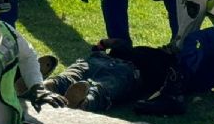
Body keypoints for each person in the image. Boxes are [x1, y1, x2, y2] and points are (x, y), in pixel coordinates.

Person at [43, 38, 175, 112]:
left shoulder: (168, 65)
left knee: (80, 77)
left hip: (114, 65)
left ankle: (51, 87)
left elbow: (110, 43)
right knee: (100, 88)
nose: (166, 46)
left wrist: (102, 44)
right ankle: (82, 100)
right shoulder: (162, 61)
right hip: (117, 67)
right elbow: (113, 43)